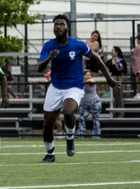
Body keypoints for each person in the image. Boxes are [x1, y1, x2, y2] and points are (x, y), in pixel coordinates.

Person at [36, 14, 118, 162]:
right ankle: (50, 154)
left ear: (67, 27)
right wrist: (49, 58)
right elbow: (39, 68)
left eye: (61, 24)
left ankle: (70, 137)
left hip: (74, 86)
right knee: (48, 124)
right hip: (55, 86)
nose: (58, 27)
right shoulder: (49, 45)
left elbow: (97, 59)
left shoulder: (78, 45)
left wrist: (108, 78)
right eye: (56, 25)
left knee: (68, 112)